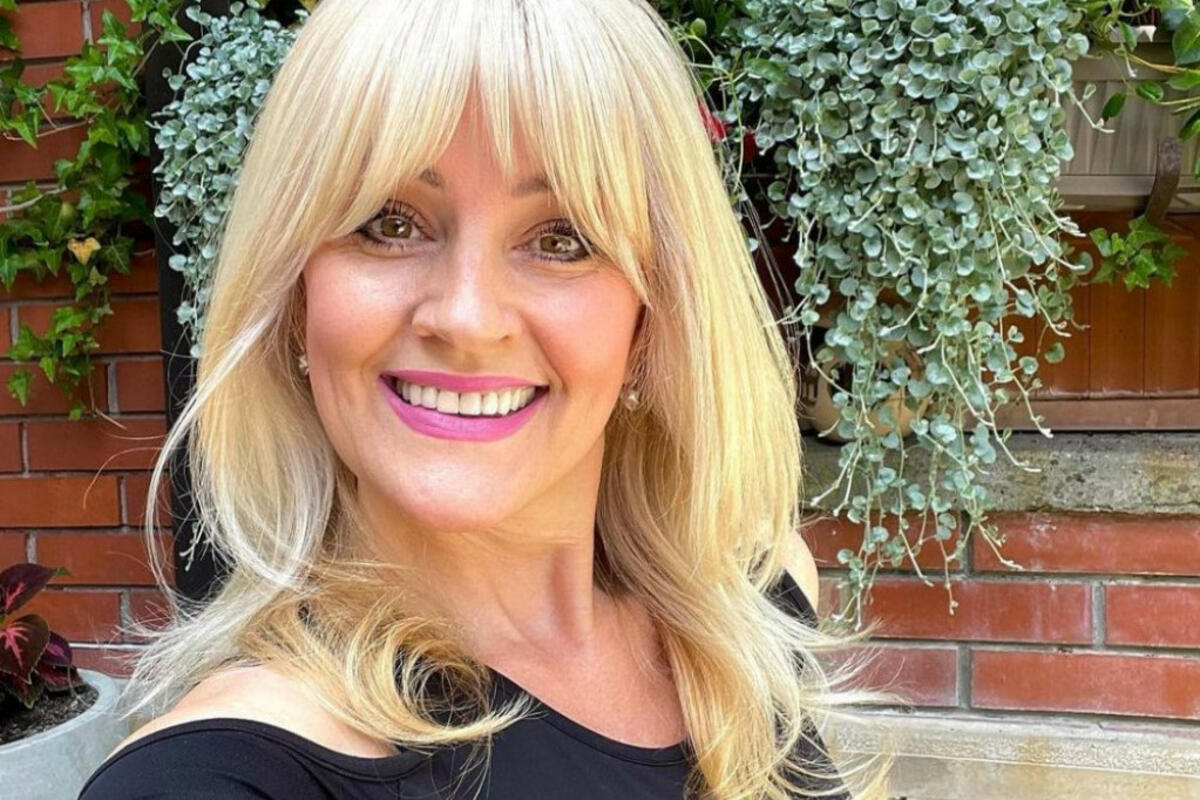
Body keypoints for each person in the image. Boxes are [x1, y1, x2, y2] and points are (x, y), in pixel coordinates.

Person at [78, 0, 898, 797]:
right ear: (296, 296)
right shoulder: (217, 776)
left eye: (561, 239)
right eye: (389, 223)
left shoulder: (754, 601)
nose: (466, 319)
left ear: (652, 319)